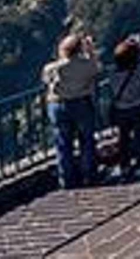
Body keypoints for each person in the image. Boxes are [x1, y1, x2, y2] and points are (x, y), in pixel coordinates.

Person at [41, 33, 102, 189]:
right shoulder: (88, 64)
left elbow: (46, 80)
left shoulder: (52, 68)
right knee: (87, 141)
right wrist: (91, 51)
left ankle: (67, 180)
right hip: (81, 103)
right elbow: (97, 69)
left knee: (63, 143)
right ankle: (90, 176)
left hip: (58, 105)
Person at [110, 34, 140, 180]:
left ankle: (124, 166)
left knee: (123, 137)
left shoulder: (113, 75)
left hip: (122, 108)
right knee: (139, 134)